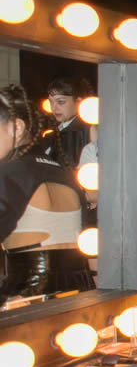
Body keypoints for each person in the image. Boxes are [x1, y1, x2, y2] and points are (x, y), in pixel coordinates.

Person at [0, 84, 90, 303]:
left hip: (28, 298)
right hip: (81, 292)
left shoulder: (8, 172)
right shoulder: (63, 171)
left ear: (17, 127)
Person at [44, 78, 93, 168]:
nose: (53, 108)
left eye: (61, 102)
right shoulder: (57, 131)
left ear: (78, 102)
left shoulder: (84, 131)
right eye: (50, 102)